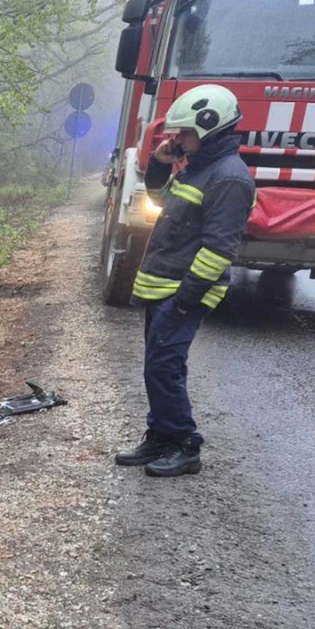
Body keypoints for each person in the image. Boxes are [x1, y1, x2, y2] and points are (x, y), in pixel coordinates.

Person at [115, 84, 255, 477]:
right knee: (162, 367)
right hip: (164, 286)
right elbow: (162, 200)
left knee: (162, 367)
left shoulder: (229, 179)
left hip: (181, 292)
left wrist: (185, 298)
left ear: (209, 128)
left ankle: (184, 444)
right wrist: (161, 163)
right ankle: (160, 436)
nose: (178, 140)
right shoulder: (199, 168)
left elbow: (219, 248)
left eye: (184, 134)